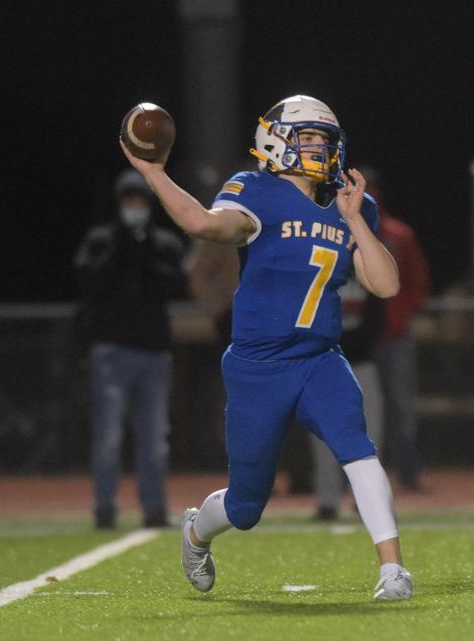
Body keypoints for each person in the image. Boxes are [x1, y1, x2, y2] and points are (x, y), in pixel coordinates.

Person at [119, 94, 412, 601]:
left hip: (320, 358)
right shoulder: (253, 189)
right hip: (258, 367)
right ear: (276, 141)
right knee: (246, 507)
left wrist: (358, 222)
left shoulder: (353, 203)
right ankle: (195, 532)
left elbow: (385, 285)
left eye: (326, 140)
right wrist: (154, 174)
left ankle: (393, 572)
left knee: (358, 450)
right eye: (310, 139)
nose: (322, 149)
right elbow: (204, 224)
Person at [73, 168, 186, 530]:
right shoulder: (101, 240)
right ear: (119, 203)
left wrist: (145, 256)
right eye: (128, 200)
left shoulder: (164, 243)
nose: (134, 206)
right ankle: (104, 508)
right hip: (111, 352)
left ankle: (154, 507)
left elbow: (177, 285)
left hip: (154, 352)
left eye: (140, 200)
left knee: (154, 438)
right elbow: (86, 280)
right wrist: (120, 251)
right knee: (108, 436)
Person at [363, 168, 431, 492]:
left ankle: (407, 470)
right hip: (357, 337)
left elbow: (417, 282)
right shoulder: (340, 230)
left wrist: (400, 316)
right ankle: (362, 477)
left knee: (401, 406)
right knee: (359, 407)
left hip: (393, 334)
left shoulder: (397, 234)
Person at [311, 279, 386, 520]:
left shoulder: (366, 273)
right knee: (322, 435)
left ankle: (366, 499)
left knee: (370, 432)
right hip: (324, 364)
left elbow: (376, 320)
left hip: (361, 363)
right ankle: (327, 499)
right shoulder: (318, 271)